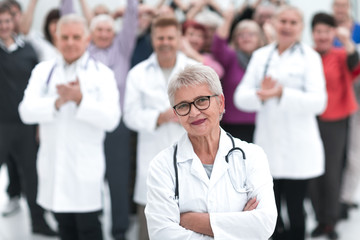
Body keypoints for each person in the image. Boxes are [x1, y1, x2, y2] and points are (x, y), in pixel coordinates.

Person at [144, 64, 277, 239]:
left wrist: (191, 222)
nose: (194, 112)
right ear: (176, 114)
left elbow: (263, 225)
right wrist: (239, 227)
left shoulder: (252, 156)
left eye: (201, 100)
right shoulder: (162, 166)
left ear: (220, 103)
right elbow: (162, 234)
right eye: (183, 106)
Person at [18, 14, 120, 240]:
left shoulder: (102, 75)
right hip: (54, 168)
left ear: (87, 39)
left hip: (85, 170)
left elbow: (111, 119)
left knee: (89, 229)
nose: (70, 42)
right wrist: (57, 101)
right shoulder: (43, 72)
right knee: (64, 229)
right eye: (65, 37)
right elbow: (26, 111)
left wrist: (81, 99)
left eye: (76, 37)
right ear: (56, 38)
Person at [234, 5, 327, 240]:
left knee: (296, 209)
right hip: (269, 145)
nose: (287, 26)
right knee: (270, 212)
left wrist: (281, 94)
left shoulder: (311, 57)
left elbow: (319, 102)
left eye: (292, 22)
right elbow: (240, 97)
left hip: (299, 147)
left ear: (300, 27)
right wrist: (261, 95)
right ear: (274, 24)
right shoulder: (261, 56)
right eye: (283, 21)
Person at [123, 15, 198, 240]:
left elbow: (209, 111)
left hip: (189, 155)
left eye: (170, 37)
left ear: (179, 39)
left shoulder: (195, 70)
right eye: (160, 37)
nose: (165, 42)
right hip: (152, 155)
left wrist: (187, 115)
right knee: (150, 227)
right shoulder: (138, 73)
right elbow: (129, 116)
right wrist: (160, 117)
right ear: (152, 39)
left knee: (190, 223)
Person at [0, 2, 57, 236]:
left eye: (7, 21)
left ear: (14, 22)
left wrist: (39, 123)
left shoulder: (29, 51)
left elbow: (39, 90)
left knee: (33, 176)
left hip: (26, 127)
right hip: (0, 126)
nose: (3, 26)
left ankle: (39, 223)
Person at [309, 12, 360, 239]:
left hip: (336, 120)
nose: (322, 36)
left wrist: (347, 40)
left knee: (331, 171)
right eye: (318, 31)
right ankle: (320, 217)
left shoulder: (341, 54)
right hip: (310, 120)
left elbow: (356, 66)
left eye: (326, 31)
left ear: (333, 33)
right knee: (312, 172)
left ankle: (330, 220)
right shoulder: (306, 55)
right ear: (312, 33)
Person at [212, 8, 264, 143]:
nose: (246, 37)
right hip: (232, 124)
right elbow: (218, 45)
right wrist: (228, 20)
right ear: (235, 39)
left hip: (262, 123)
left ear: (260, 39)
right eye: (241, 34)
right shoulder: (231, 58)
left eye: (251, 34)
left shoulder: (266, 59)